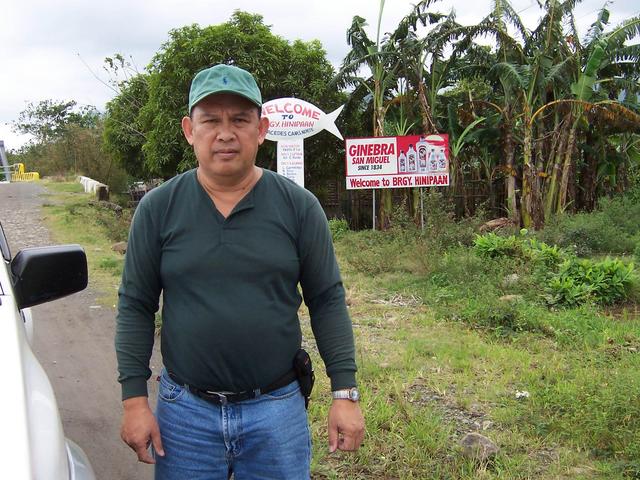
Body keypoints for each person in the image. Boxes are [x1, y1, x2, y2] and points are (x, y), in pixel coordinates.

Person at [115, 63, 365, 479]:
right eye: (210, 120)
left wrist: (345, 393)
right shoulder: (157, 209)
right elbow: (135, 306)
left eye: (240, 120)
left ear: (262, 128)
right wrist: (134, 401)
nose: (225, 133)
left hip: (276, 411)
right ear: (189, 130)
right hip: (184, 415)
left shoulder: (298, 207)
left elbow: (327, 301)